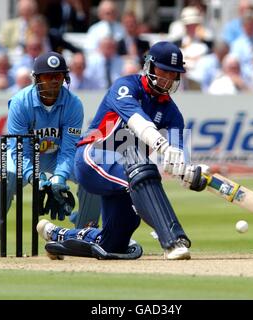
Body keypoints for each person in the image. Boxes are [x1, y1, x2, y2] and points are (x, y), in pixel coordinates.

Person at [36, 42, 209, 261]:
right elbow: (137, 120)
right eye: (163, 71)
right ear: (149, 66)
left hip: (127, 173)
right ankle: (173, 240)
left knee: (114, 241)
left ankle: (57, 236)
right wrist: (162, 146)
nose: (167, 79)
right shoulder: (126, 86)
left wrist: (188, 173)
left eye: (173, 74)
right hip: (94, 157)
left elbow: (179, 154)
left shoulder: (172, 113)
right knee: (142, 168)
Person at [0, 51, 92, 256]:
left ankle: (84, 235)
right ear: (36, 78)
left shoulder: (74, 104)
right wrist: (34, 178)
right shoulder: (20, 102)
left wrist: (59, 177)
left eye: (58, 76)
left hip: (57, 157)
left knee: (91, 171)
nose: (53, 82)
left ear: (65, 78)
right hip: (26, 155)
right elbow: (19, 149)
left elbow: (69, 148)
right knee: (3, 173)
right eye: (47, 77)